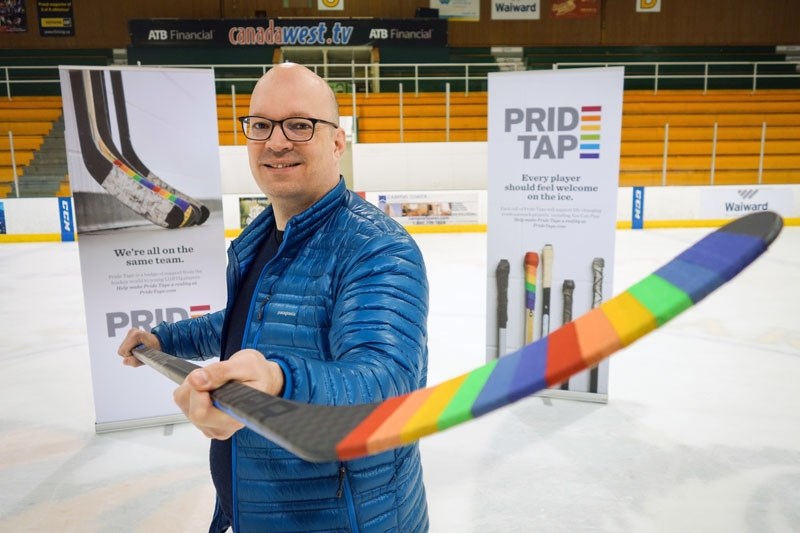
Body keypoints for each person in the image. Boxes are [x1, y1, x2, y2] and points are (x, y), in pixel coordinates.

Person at [117, 62, 430, 532]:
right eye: (260, 124)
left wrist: (279, 380)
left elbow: (385, 379)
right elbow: (244, 324)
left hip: (344, 518)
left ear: (337, 141)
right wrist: (165, 340)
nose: (276, 142)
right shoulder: (262, 237)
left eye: (299, 125)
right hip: (254, 506)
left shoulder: (378, 247)